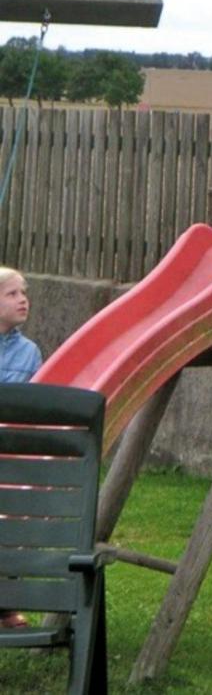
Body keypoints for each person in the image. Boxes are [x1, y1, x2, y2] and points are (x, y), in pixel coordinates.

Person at [0, 266, 42, 630]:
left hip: (12, 455)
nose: (22, 299)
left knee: (14, 525)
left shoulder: (29, 354)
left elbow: (36, 407)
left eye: (24, 292)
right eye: (11, 294)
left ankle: (6, 606)